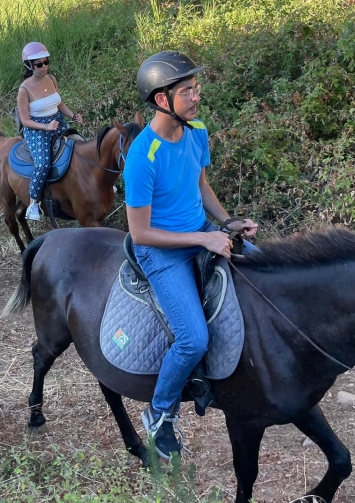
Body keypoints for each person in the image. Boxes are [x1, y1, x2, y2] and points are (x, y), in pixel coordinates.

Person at [123, 51, 258, 460]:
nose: (197, 97)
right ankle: (160, 413)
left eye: (196, 88)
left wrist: (228, 222)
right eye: (187, 91)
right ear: (162, 100)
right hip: (161, 253)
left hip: (199, 232)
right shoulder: (142, 158)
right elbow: (139, 232)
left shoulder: (196, 131)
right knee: (193, 338)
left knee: (261, 266)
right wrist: (203, 240)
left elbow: (201, 187)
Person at [16, 42, 82, 222]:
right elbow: (25, 120)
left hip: (57, 121)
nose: (44, 66)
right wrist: (46, 127)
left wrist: (73, 115)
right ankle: (33, 203)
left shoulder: (52, 79)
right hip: (37, 129)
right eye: (39, 64)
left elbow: (59, 103)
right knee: (43, 164)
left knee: (81, 144)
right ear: (29, 65)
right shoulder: (24, 89)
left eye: (46, 62)